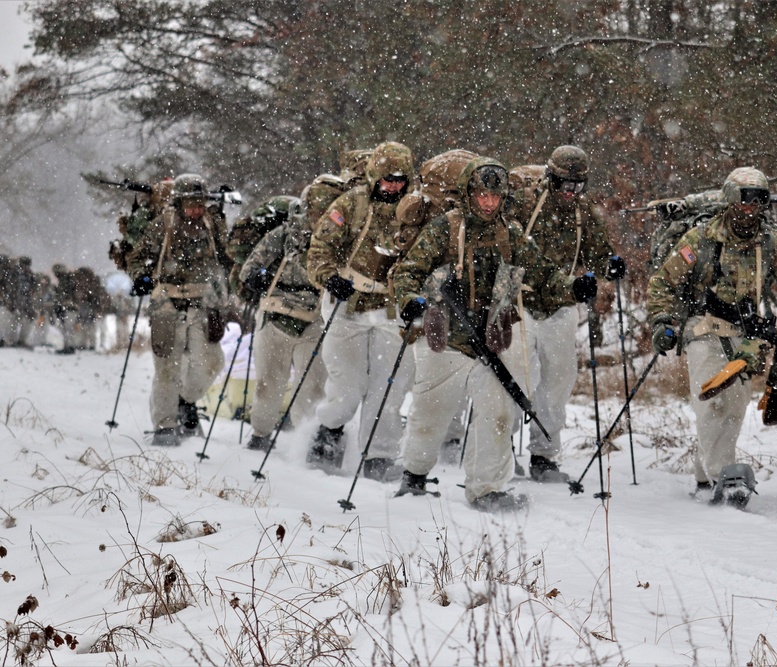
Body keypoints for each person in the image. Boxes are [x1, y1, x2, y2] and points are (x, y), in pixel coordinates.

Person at [391, 157, 595, 512]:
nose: (488, 203)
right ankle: (414, 475)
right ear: (470, 193)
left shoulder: (511, 233)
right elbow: (409, 271)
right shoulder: (445, 228)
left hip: (493, 338)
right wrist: (410, 300)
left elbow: (544, 275)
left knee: (498, 412)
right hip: (447, 339)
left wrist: (573, 288)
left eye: (495, 196)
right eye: (482, 195)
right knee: (430, 412)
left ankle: (486, 488)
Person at [646, 167, 777, 507]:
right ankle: (725, 475)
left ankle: (705, 477)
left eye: (759, 201)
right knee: (711, 399)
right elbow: (663, 282)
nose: (751, 209)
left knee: (734, 407)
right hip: (702, 328)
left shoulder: (771, 242)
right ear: (729, 201)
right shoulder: (700, 239)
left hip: (746, 333)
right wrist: (662, 322)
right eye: (744, 201)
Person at [305, 141, 417, 481]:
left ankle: (379, 456)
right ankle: (328, 432)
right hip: (348, 304)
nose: (394, 185)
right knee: (348, 386)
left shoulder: (416, 211)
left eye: (400, 178)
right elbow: (319, 250)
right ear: (373, 176)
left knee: (389, 387)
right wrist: (329, 278)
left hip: (390, 308)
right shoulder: (350, 204)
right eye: (387, 178)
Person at [513, 145, 622, 483]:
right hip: (521, 300)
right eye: (563, 184)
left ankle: (544, 455)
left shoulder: (582, 213)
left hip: (561, 305)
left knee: (559, 378)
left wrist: (611, 264)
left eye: (577, 186)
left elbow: (599, 251)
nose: (570, 193)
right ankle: (498, 447)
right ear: (550, 178)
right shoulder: (525, 204)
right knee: (516, 373)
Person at [127, 173, 232, 446]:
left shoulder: (213, 224)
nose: (196, 209)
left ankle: (186, 400)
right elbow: (137, 257)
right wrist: (141, 277)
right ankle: (164, 426)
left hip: (204, 302)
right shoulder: (164, 224)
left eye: (200, 203)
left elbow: (229, 256)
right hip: (168, 302)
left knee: (210, 362)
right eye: (191, 203)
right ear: (179, 203)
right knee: (166, 367)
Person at [239, 197, 327, 451]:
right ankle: (260, 433)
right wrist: (258, 277)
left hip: (314, 318)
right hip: (276, 315)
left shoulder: (334, 239)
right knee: (269, 382)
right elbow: (249, 268)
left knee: (311, 385)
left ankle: (305, 441)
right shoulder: (283, 235)